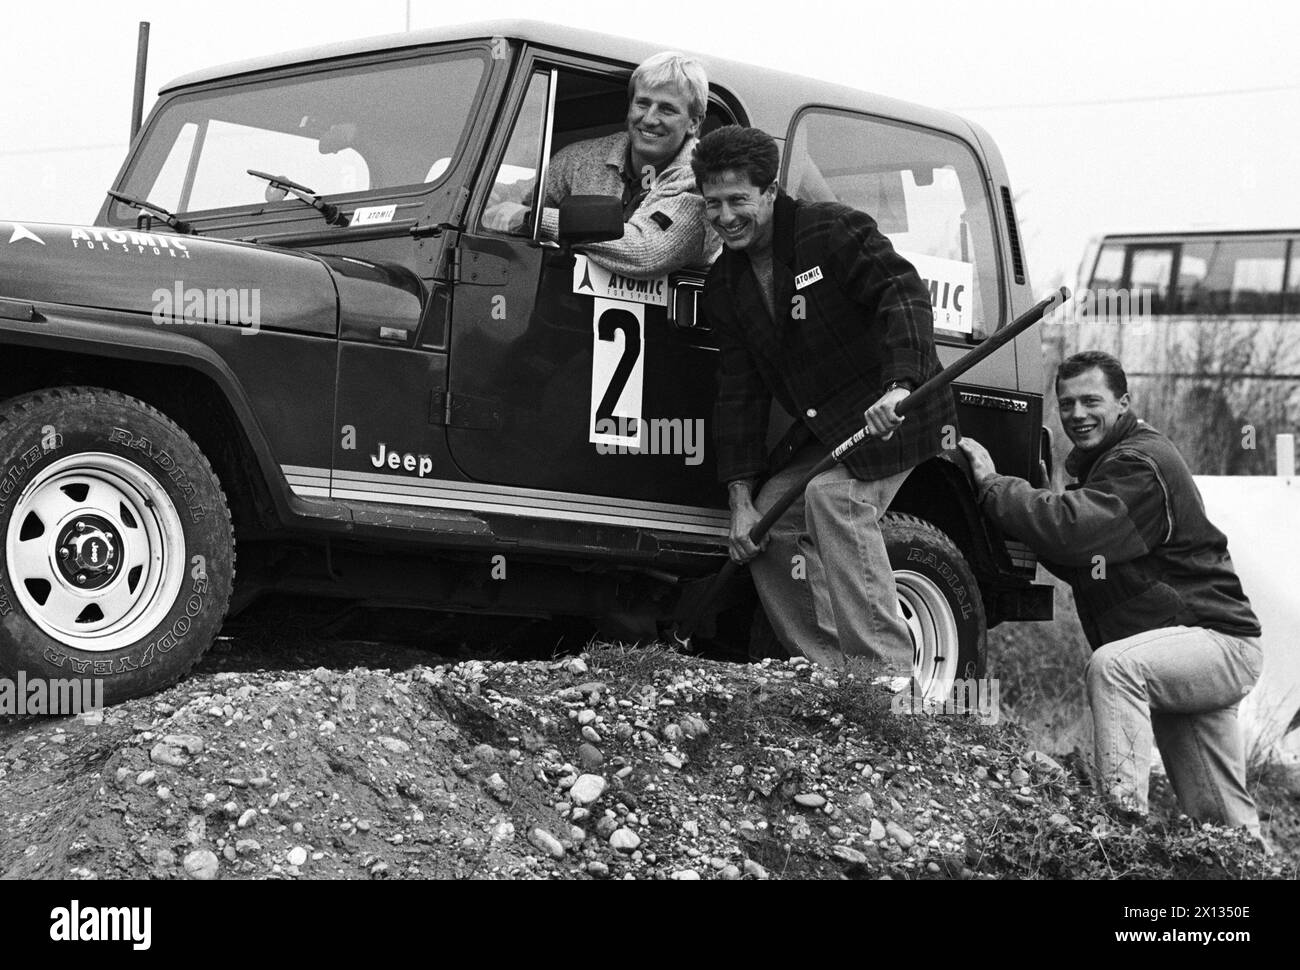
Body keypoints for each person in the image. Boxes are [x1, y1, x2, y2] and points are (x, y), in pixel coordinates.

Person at [958, 350, 1264, 837]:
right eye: (1066, 404)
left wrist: (996, 487)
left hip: (1216, 644)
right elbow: (1079, 557)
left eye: (1090, 400)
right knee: (1224, 828)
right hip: (1184, 650)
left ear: (1123, 401)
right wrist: (1034, 508)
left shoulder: (1140, 463)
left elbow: (1074, 533)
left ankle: (1116, 827)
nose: (1077, 414)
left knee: (1114, 668)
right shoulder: (1108, 465)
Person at [692, 125, 957, 676]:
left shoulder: (833, 229)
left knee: (835, 501)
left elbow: (902, 295)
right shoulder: (725, 284)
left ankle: (887, 678)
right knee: (770, 525)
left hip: (901, 410)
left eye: (738, 200)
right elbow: (738, 393)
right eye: (713, 203)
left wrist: (900, 387)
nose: (725, 216)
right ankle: (831, 674)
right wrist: (740, 501)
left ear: (769, 193)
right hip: (831, 429)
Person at [487, 51, 719, 278]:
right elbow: (526, 197)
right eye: (642, 104)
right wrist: (492, 198)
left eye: (667, 109)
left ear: (694, 123)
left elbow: (644, 250)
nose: (649, 119)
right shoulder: (581, 158)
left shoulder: (705, 181)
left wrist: (532, 220)